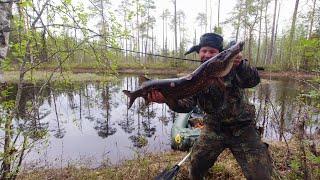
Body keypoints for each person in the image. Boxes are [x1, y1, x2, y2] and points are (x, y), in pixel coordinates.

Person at [149, 33, 272, 179]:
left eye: (212, 51)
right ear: (199, 53)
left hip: (243, 128)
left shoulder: (234, 68)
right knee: (195, 167)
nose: (207, 54)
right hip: (214, 128)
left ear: (219, 54)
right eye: (204, 50)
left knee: (261, 175)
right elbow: (186, 106)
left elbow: (253, 80)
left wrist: (241, 66)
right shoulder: (194, 78)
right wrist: (167, 99)